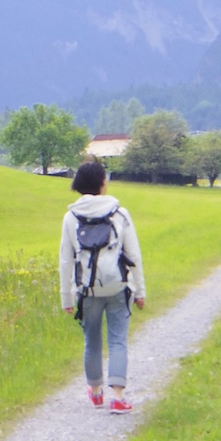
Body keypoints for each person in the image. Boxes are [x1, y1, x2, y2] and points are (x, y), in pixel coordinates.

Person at [60, 158, 146, 413]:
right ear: (102, 183)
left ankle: (96, 393)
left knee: (92, 340)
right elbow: (135, 256)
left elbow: (66, 260)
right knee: (118, 340)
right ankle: (118, 397)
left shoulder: (71, 217)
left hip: (87, 289)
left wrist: (66, 298)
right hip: (119, 286)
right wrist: (140, 291)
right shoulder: (119, 213)